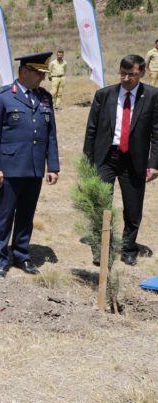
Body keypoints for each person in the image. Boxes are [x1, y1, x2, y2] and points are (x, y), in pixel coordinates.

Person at [0, 52, 60, 278]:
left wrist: (53, 166)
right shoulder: (3, 96)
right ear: (24, 72)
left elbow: (51, 134)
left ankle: (21, 254)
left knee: (27, 215)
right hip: (9, 168)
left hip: (34, 167)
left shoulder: (44, 98)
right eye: (39, 73)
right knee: (5, 215)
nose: (42, 78)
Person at [83, 54, 158, 266]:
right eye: (123, 74)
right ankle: (101, 248)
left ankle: (128, 248)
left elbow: (156, 133)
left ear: (141, 73)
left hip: (134, 159)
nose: (126, 78)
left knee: (133, 207)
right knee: (100, 203)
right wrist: (87, 162)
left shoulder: (152, 96)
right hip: (106, 156)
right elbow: (91, 130)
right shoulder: (104, 95)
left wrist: (153, 164)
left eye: (132, 74)